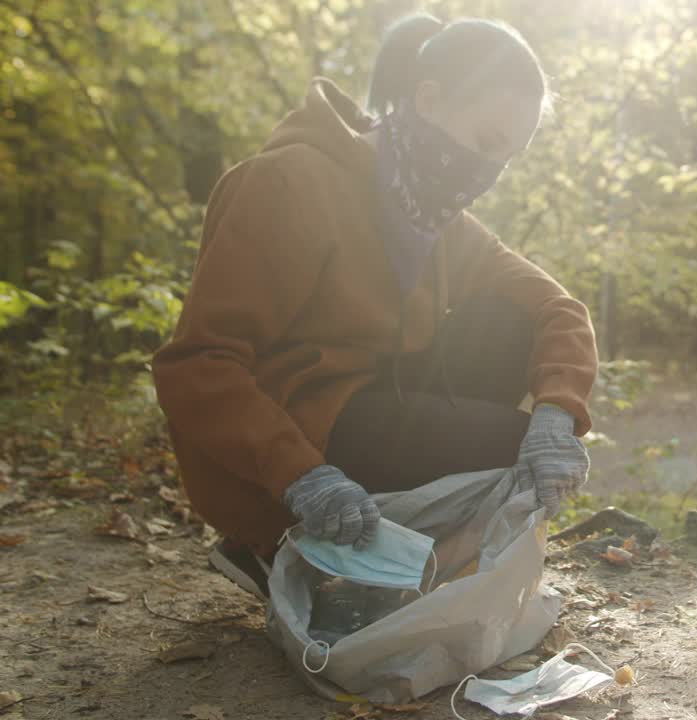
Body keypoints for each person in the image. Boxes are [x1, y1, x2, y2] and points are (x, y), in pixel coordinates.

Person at [152, 15, 597, 599]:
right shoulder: (285, 185)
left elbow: (555, 307)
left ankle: (386, 556)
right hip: (292, 438)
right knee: (504, 450)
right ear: (429, 100)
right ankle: (280, 545)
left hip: (374, 406)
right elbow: (197, 366)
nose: (488, 171)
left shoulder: (434, 215)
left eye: (506, 158)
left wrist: (556, 413)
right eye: (487, 142)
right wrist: (298, 476)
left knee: (509, 325)